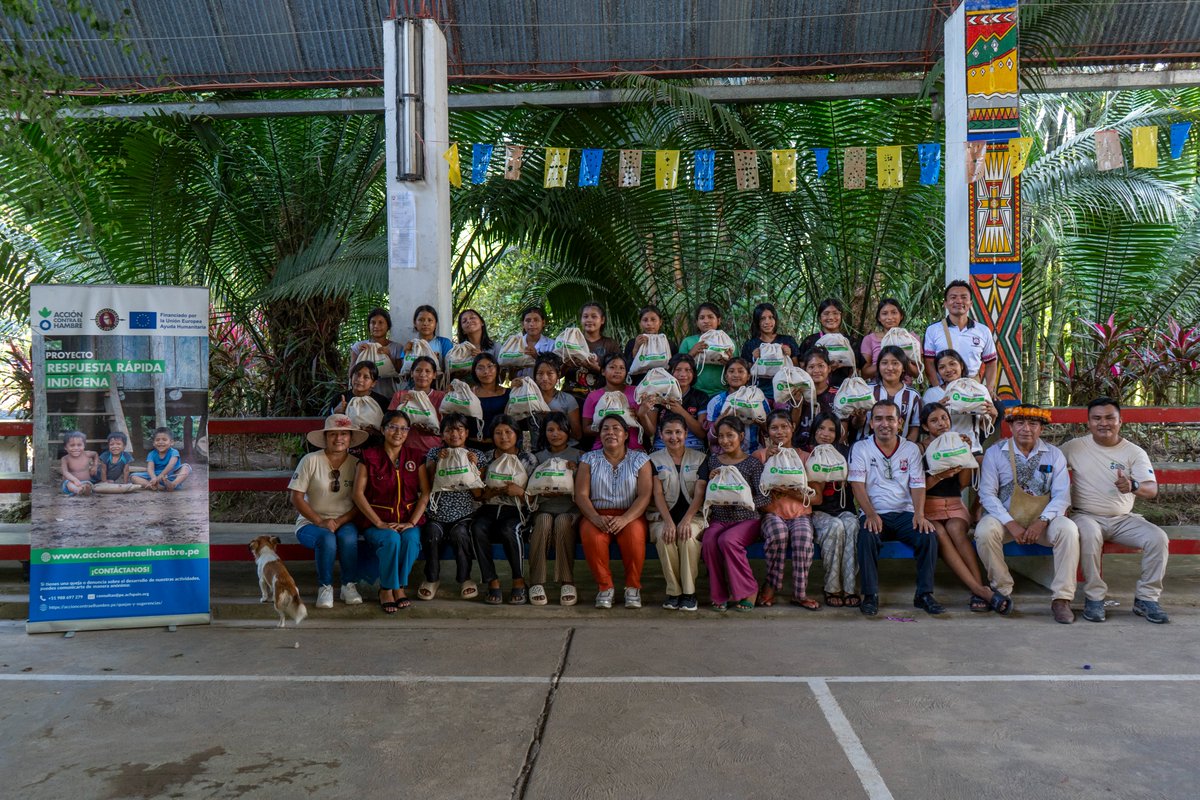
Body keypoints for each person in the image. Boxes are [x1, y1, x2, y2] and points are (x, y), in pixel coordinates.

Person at [1063, 396, 1170, 624]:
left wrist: (1133, 485)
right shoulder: (1075, 447)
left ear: (1121, 421)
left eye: (1110, 418)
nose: (1104, 423)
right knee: (1089, 535)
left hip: (1123, 519)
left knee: (1158, 538)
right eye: (1097, 418)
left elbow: (1151, 489)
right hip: (1086, 515)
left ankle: (1147, 598)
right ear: (1089, 422)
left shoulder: (1134, 452)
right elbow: (1048, 463)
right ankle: (1094, 597)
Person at [976, 404, 1078, 623]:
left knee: (1068, 530)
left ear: (1041, 428)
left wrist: (1042, 521)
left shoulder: (1054, 455)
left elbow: (1062, 497)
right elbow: (987, 495)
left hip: (1042, 524)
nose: (1026, 429)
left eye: (1033, 423)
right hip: (1007, 521)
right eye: (1020, 423)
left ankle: (1062, 598)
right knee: (984, 531)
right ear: (1011, 426)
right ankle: (1001, 588)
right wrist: (1010, 523)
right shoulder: (995, 453)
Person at [850, 399, 943, 616]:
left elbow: (918, 484)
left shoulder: (910, 449)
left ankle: (924, 594)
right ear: (871, 423)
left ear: (899, 423)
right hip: (875, 513)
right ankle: (870, 595)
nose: (885, 424)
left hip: (905, 514)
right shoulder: (861, 448)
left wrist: (919, 515)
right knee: (867, 535)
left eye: (890, 419)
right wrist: (871, 514)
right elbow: (857, 485)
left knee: (928, 534)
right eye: (879, 418)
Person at [919, 403, 1008, 615]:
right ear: (924, 426)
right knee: (939, 532)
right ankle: (979, 589)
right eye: (934, 420)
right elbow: (918, 486)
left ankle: (978, 589)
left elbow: (962, 484)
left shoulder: (957, 442)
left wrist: (965, 455)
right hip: (929, 505)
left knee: (956, 530)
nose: (941, 423)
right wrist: (941, 474)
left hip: (955, 504)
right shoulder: (920, 449)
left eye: (944, 418)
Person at [353, 410, 428, 613]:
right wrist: (378, 523)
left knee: (411, 540)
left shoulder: (416, 456)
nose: (399, 432)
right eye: (393, 427)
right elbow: (358, 494)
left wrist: (411, 523)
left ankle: (398, 586)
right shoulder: (369, 456)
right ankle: (386, 589)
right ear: (383, 429)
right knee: (391, 540)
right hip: (376, 522)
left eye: (404, 428)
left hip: (407, 520)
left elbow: (425, 494)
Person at [575, 415, 653, 609]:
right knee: (592, 537)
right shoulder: (588, 459)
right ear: (599, 435)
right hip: (596, 514)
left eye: (616, 428)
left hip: (631, 514)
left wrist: (625, 518)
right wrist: (594, 517)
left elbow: (644, 495)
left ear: (626, 434)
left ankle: (632, 587)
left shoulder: (640, 459)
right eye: (605, 429)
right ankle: (605, 587)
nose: (611, 433)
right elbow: (581, 495)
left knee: (634, 537)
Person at [288, 414, 365, 609]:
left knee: (348, 538)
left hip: (345, 520)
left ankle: (349, 585)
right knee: (326, 539)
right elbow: (296, 497)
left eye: (344, 434)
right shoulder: (310, 460)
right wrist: (320, 521)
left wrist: (339, 522)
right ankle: (325, 586)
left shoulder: (357, 463)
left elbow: (360, 500)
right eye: (333, 434)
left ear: (350, 438)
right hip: (311, 523)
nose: (338, 438)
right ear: (325, 437)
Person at [698, 416, 770, 612]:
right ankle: (719, 594)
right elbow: (707, 495)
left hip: (746, 520)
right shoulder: (713, 462)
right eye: (721, 436)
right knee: (710, 541)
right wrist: (711, 481)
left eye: (730, 435)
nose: (725, 441)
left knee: (728, 541)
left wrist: (744, 502)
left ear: (740, 436)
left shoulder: (752, 463)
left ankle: (749, 589)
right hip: (719, 518)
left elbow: (765, 497)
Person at [754, 410, 821, 609]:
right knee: (778, 534)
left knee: (802, 536)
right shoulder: (759, 456)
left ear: (792, 428)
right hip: (771, 513)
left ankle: (800, 593)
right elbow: (752, 494)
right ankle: (771, 586)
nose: (780, 432)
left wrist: (791, 492)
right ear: (767, 431)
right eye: (774, 428)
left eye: (784, 427)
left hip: (800, 513)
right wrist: (767, 462)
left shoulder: (806, 458)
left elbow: (817, 498)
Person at [473, 415, 537, 605]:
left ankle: (519, 581)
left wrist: (519, 492)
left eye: (508, 432)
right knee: (477, 527)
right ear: (492, 437)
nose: (504, 437)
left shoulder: (527, 459)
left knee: (510, 529)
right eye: (498, 433)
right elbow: (478, 495)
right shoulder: (485, 458)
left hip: (516, 509)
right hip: (490, 508)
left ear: (517, 434)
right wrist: (489, 493)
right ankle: (492, 581)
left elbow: (536, 495)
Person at [421, 413, 484, 601]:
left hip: (464, 514)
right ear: (442, 435)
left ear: (466, 433)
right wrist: (438, 463)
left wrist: (474, 467)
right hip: (436, 514)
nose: (454, 434)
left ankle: (465, 579)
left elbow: (479, 494)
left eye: (459, 429)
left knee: (461, 535)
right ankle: (432, 579)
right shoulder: (434, 453)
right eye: (449, 430)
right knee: (431, 534)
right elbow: (428, 484)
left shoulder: (476, 455)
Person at [647, 414, 706, 612]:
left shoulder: (700, 458)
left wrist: (686, 520)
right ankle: (674, 592)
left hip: (694, 517)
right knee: (666, 538)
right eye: (668, 432)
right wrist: (669, 522)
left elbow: (699, 493)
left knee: (687, 538)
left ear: (686, 433)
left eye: (678, 432)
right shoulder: (653, 459)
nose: (674, 437)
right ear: (661, 435)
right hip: (661, 517)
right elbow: (656, 493)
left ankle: (689, 593)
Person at [805, 414, 860, 607]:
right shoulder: (807, 453)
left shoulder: (845, 453)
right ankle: (832, 587)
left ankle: (850, 587)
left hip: (844, 508)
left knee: (851, 525)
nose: (825, 434)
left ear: (838, 434)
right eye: (821, 428)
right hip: (818, 511)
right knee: (835, 526)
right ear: (814, 430)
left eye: (831, 430)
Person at [529, 412, 581, 606]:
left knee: (562, 522)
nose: (555, 434)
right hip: (543, 508)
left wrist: (576, 473)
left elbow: (585, 489)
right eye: (550, 430)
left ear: (568, 431)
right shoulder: (538, 458)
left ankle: (567, 581)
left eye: (560, 429)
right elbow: (530, 489)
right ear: (544, 433)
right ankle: (536, 582)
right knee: (543, 521)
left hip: (570, 510)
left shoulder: (578, 456)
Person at [922, 280, 998, 390]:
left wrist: (989, 390)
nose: (958, 301)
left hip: (972, 390)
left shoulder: (983, 331)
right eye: (953, 297)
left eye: (963, 297)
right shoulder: (933, 330)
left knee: (999, 407)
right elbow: (929, 363)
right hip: (944, 389)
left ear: (970, 303)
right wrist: (938, 390)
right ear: (945, 303)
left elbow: (991, 362)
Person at [921, 348, 998, 455]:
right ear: (938, 371)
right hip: (942, 451)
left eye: (952, 364)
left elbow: (982, 427)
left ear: (961, 365)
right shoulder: (931, 394)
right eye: (942, 367)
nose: (948, 369)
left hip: (971, 448)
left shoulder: (978, 390)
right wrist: (938, 410)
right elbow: (925, 427)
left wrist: (993, 415)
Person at [638, 352, 709, 451]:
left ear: (693, 373)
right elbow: (651, 432)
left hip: (693, 447)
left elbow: (702, 433)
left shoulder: (701, 397)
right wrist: (642, 414)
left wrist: (680, 411)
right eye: (678, 370)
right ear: (670, 372)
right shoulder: (658, 395)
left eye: (688, 370)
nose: (683, 374)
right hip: (662, 448)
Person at [853, 346, 921, 442]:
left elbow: (915, 427)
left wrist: (906, 448)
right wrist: (860, 418)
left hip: (900, 451)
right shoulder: (866, 391)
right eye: (884, 363)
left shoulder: (913, 396)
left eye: (895, 363)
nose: (889, 368)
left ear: (904, 368)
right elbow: (855, 425)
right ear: (878, 367)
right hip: (866, 449)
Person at [704, 358, 770, 454]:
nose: (736, 375)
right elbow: (711, 438)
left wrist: (758, 421)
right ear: (726, 376)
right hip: (724, 455)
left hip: (753, 454)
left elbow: (768, 430)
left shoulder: (759, 399)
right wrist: (720, 420)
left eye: (740, 371)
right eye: (731, 371)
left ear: (748, 376)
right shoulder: (717, 402)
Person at [516, 353, 583, 446]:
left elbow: (577, 435)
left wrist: (556, 418)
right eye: (540, 373)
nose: (544, 378)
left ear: (558, 375)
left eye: (550, 373)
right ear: (534, 376)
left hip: (564, 452)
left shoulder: (568, 400)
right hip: (538, 451)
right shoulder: (528, 399)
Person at [780, 346, 838, 450]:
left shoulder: (837, 394)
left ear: (829, 368)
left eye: (821, 366)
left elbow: (842, 426)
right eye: (811, 367)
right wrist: (798, 403)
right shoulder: (795, 392)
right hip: (799, 449)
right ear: (804, 370)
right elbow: (791, 426)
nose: (816, 370)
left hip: (829, 451)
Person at [797, 298, 863, 387]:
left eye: (835, 313)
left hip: (845, 391)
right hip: (816, 391)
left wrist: (843, 364)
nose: (831, 317)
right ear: (820, 318)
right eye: (826, 313)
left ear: (841, 316)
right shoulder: (810, 341)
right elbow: (802, 367)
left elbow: (857, 367)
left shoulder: (849, 342)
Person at [563, 301, 621, 403]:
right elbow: (556, 373)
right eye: (585, 316)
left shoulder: (610, 344)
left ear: (602, 320)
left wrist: (597, 368)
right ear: (581, 320)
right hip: (571, 397)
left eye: (594, 317)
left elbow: (618, 375)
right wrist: (567, 364)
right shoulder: (570, 342)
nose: (589, 320)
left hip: (601, 399)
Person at [387, 356, 445, 455]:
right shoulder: (400, 395)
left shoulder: (441, 397)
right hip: (405, 451)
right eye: (418, 370)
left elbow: (447, 427)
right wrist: (400, 406)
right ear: (412, 373)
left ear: (434, 375)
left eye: (428, 371)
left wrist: (431, 431)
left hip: (433, 452)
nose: (422, 374)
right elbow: (388, 424)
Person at [582, 352, 641, 450]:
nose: (617, 371)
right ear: (603, 371)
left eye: (622, 368)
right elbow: (586, 430)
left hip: (633, 448)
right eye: (612, 367)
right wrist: (607, 427)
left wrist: (639, 416)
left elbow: (648, 428)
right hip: (602, 450)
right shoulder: (593, 396)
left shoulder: (637, 392)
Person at [742, 302, 801, 393]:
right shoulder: (750, 344)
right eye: (762, 318)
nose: (767, 322)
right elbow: (746, 373)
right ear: (757, 322)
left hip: (785, 391)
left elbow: (797, 369)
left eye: (771, 317)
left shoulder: (788, 340)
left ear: (775, 319)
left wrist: (789, 355)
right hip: (758, 392)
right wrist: (754, 359)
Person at [349, 307, 406, 398]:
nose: (376, 326)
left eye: (381, 322)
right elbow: (350, 374)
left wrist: (389, 356)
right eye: (373, 322)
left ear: (388, 326)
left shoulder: (397, 348)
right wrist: (360, 355)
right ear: (369, 326)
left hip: (388, 397)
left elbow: (400, 376)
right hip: (362, 397)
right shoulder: (358, 347)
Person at [331, 361, 391, 446]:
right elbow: (329, 426)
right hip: (345, 447)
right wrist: (335, 413)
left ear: (373, 383)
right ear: (351, 376)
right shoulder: (339, 398)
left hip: (374, 447)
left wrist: (374, 432)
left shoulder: (382, 401)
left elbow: (388, 427)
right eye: (357, 374)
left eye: (366, 377)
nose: (359, 379)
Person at [860, 298, 920, 381]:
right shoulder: (869, 339)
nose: (890, 317)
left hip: (904, 389)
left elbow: (917, 373)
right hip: (877, 390)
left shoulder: (912, 339)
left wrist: (903, 359)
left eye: (894, 313)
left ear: (901, 316)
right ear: (879, 318)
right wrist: (884, 363)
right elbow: (864, 373)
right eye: (884, 314)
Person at [678, 302, 729, 397]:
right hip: (694, 393)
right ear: (697, 322)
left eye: (710, 317)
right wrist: (692, 353)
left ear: (718, 320)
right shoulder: (688, 342)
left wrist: (729, 362)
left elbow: (737, 367)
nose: (706, 321)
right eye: (702, 318)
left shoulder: (728, 342)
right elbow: (677, 367)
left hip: (722, 392)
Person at [623, 305, 676, 385]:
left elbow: (675, 367)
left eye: (653, 320)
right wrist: (636, 348)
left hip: (664, 386)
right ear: (640, 323)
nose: (649, 323)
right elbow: (626, 368)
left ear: (660, 322)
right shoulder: (632, 343)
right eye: (645, 320)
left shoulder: (668, 344)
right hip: (639, 385)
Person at [469, 352, 510, 448]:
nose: (486, 371)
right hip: (472, 446)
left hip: (501, 447)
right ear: (474, 371)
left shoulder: (508, 393)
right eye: (480, 368)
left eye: (490, 366)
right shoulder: (468, 394)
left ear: (497, 368)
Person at [511, 305, 557, 379]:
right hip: (520, 387)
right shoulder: (515, 344)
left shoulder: (552, 345)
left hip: (542, 389)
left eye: (536, 320)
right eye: (528, 320)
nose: (532, 324)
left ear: (543, 322)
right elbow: (509, 377)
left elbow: (556, 373)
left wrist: (537, 357)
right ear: (523, 324)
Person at [59, 430, 97, 495]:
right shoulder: (65, 459)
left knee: (87, 485)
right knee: (68, 484)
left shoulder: (87, 454)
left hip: (86, 481)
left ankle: (84, 490)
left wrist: (95, 466)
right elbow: (65, 472)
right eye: (72, 445)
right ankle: (77, 490)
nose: (76, 448)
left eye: (79, 445)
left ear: (84, 445)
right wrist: (74, 480)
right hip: (71, 482)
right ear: (66, 447)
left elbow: (95, 454)